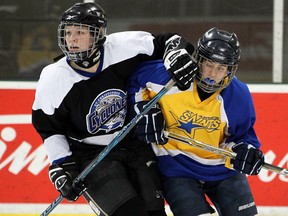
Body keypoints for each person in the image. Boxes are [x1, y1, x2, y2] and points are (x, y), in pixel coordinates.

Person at [31, 2, 197, 216]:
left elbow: (169, 41)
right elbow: (49, 128)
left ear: (98, 34)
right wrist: (62, 164)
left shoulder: (123, 47)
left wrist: (175, 54)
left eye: (80, 32)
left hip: (133, 143)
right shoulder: (53, 78)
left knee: (155, 213)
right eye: (67, 32)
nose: (71, 39)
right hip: (90, 154)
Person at [128, 27, 265, 216]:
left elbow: (243, 137)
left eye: (221, 68)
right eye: (208, 64)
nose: (212, 74)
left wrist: (245, 151)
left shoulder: (238, 95)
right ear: (198, 60)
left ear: (230, 70)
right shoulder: (168, 78)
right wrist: (143, 109)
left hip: (223, 172)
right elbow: (134, 81)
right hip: (177, 170)